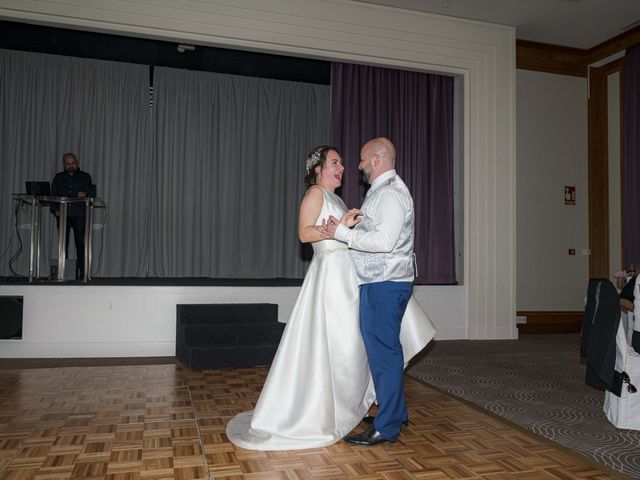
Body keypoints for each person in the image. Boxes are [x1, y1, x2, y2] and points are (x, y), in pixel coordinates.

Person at [225, 145, 434, 451]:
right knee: (336, 346)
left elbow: (347, 235)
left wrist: (347, 227)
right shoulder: (315, 194)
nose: (343, 168)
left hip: (349, 278)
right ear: (319, 169)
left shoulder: (337, 198)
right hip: (330, 282)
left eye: (342, 164)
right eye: (335, 163)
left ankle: (358, 408)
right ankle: (334, 410)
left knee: (353, 350)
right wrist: (335, 231)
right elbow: (304, 233)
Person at [318, 136, 416, 446]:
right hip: (382, 283)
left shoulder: (389, 195)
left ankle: (387, 427)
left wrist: (342, 233)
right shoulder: (384, 192)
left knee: (384, 354)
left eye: (361, 159)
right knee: (386, 352)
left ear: (376, 160)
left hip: (384, 284)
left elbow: (384, 243)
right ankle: (394, 413)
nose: (357, 166)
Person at [50, 152, 92, 280]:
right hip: (62, 214)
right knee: (63, 243)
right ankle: (64, 272)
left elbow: (90, 191)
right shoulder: (58, 177)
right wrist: (55, 210)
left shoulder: (85, 176)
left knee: (80, 242)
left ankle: (83, 272)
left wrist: (84, 194)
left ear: (77, 162)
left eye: (73, 163)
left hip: (79, 214)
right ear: (64, 164)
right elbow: (54, 194)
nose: (71, 166)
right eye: (68, 164)